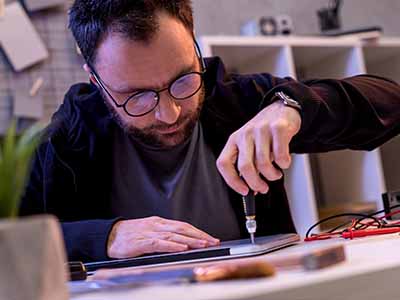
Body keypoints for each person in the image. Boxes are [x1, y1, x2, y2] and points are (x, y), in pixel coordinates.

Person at [20, 0, 400, 262]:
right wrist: (104, 237)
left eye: (183, 80)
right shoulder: (61, 144)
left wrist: (293, 108)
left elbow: (390, 102)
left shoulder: (237, 100)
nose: (169, 113)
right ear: (95, 79)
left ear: (194, 43)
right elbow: (11, 243)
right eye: (136, 97)